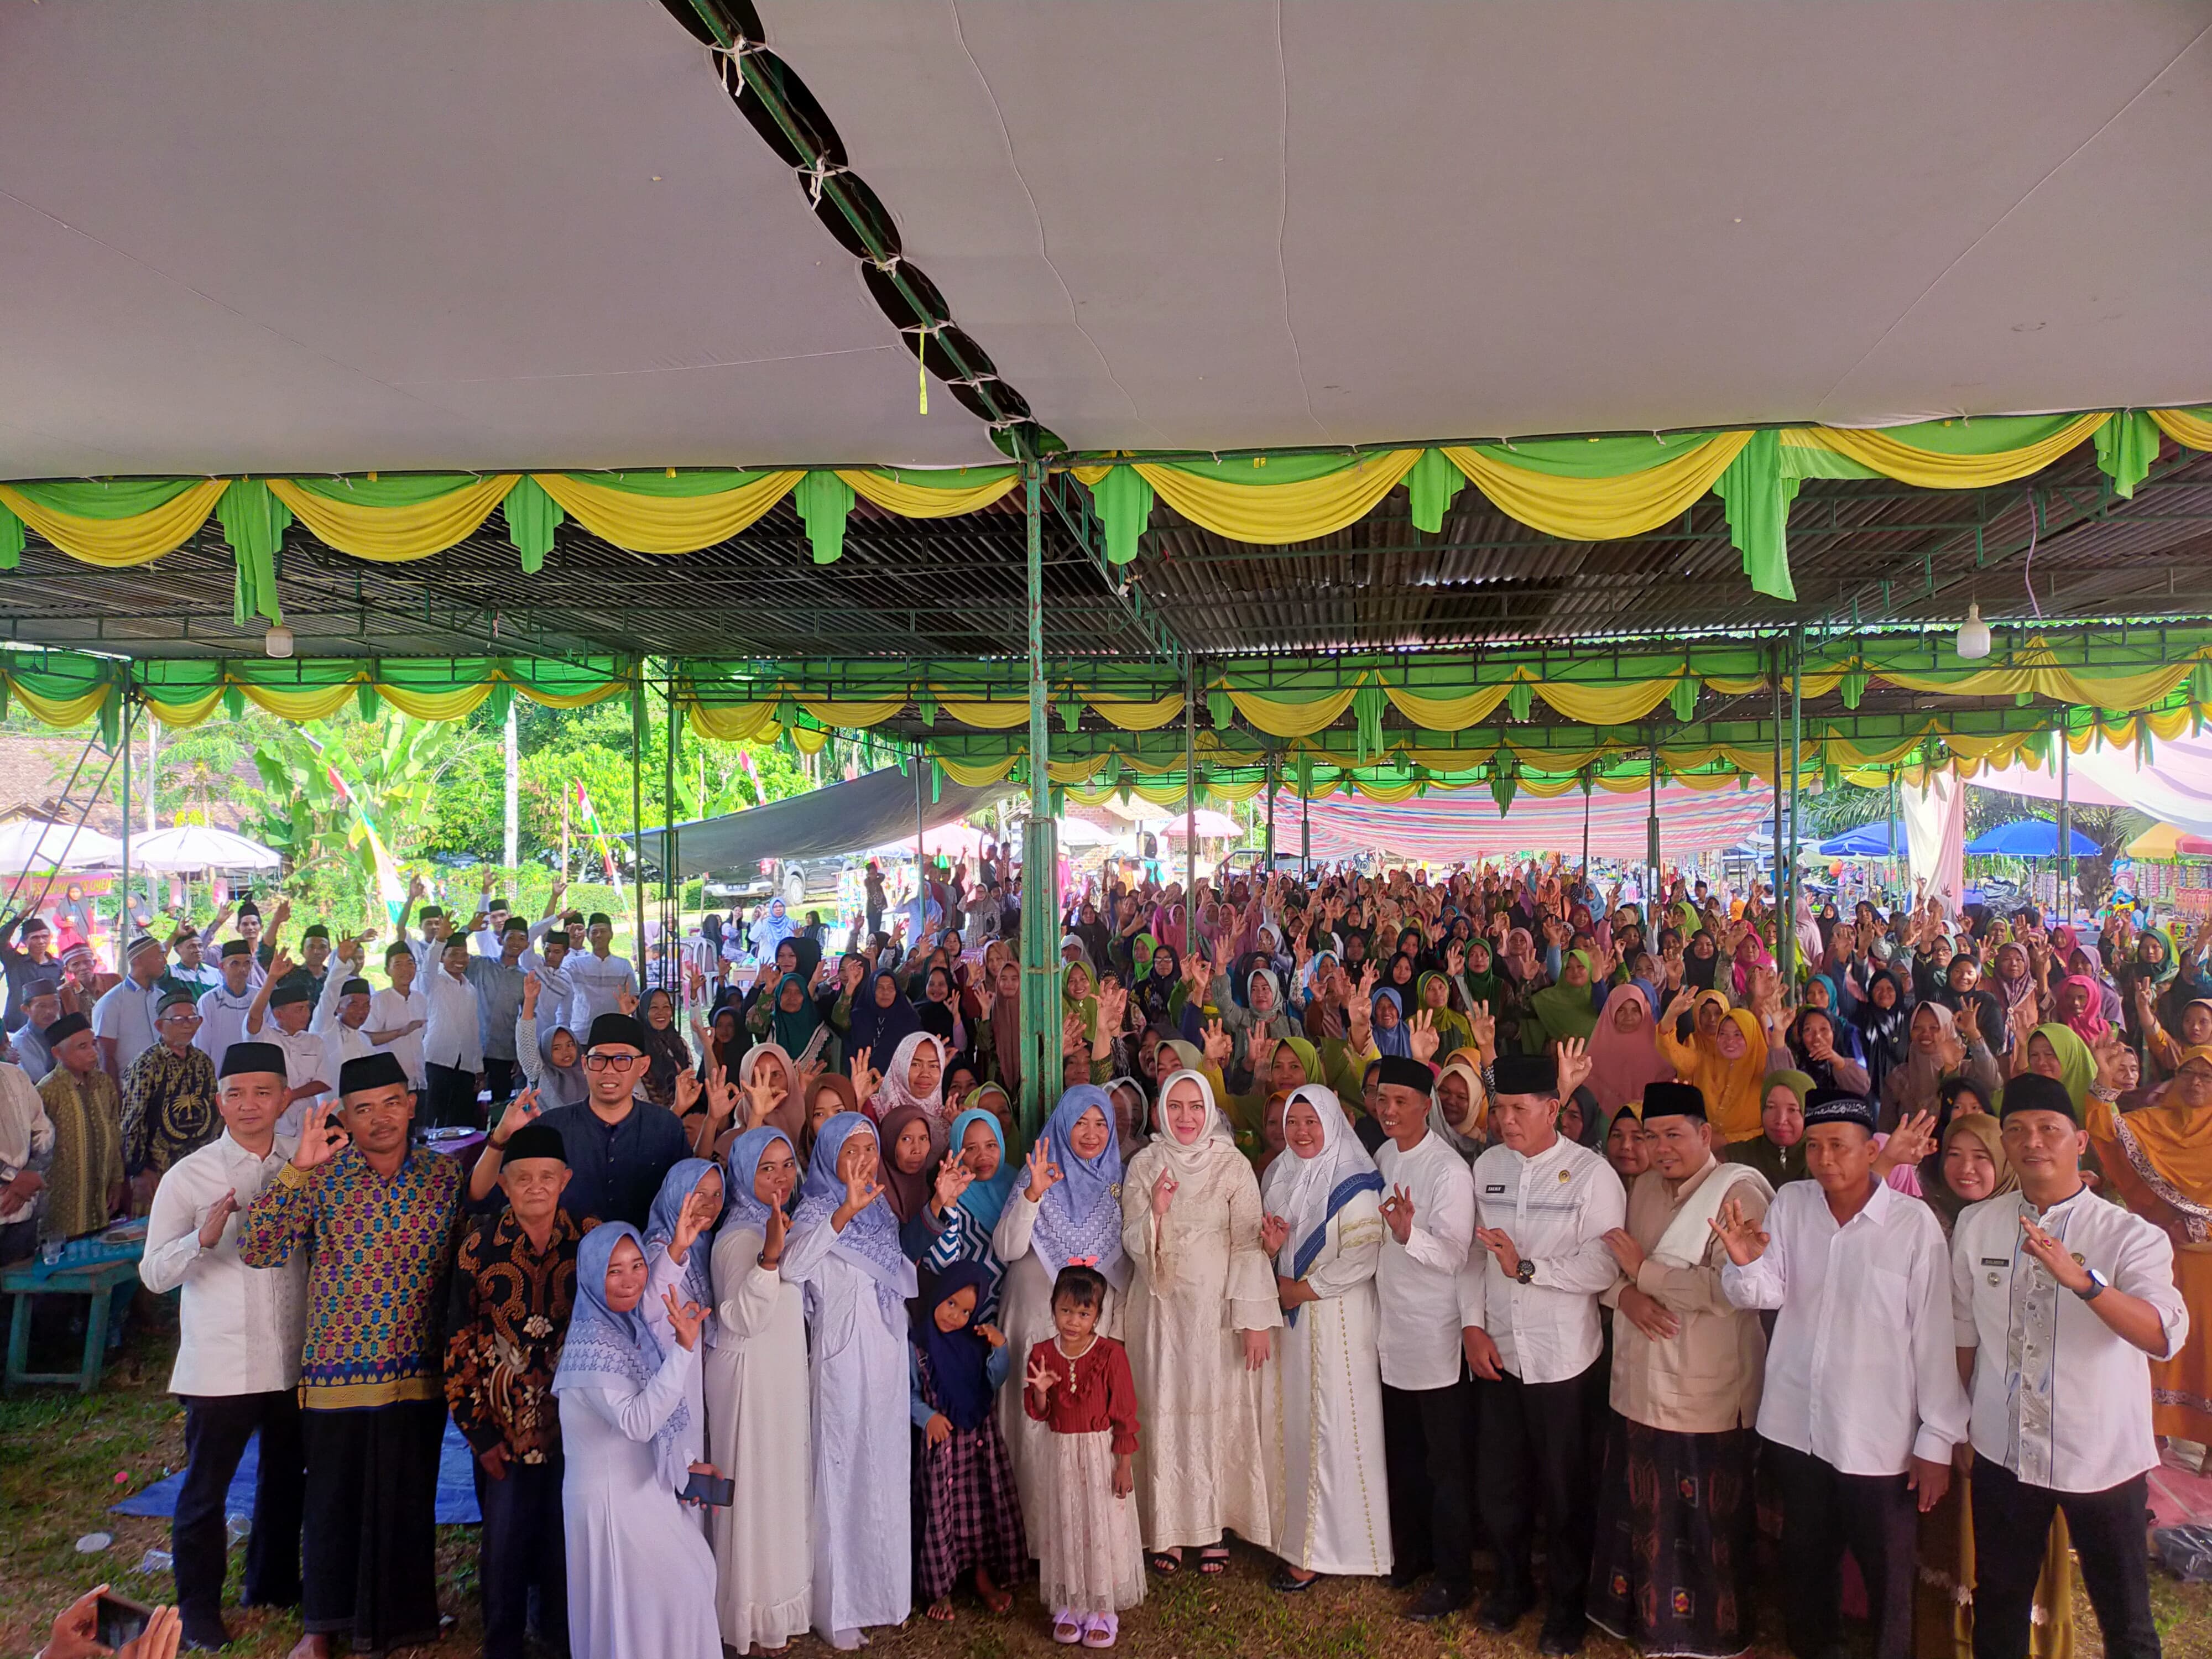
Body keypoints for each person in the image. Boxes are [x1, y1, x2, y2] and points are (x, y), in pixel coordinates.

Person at [1713, 1087, 1969, 1659]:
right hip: (1794, 1424)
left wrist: (1937, 1437)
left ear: (1868, 1148)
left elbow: (1931, 1336)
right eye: (1815, 1147)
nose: (1826, 1159)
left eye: (1839, 1146)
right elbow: (1766, 1294)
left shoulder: (1911, 1226)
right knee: (1804, 1560)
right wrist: (1743, 1261)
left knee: (1886, 1571)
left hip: (1875, 1437)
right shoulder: (1792, 1205)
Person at [1953, 1071, 2189, 1659]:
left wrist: (2084, 1284)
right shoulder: (1976, 1223)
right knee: (1999, 1603)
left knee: (2126, 1621)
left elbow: (2163, 1334)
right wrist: (1959, 1422)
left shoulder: (2129, 1236)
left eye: (2048, 1129)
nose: (2033, 1142)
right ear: (2005, 1142)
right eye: (2017, 1130)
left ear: (2078, 1142)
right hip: (2003, 1452)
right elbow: (1962, 1332)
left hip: (2101, 1458)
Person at [237, 1051, 464, 1659]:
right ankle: (321, 1627)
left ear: (411, 1104)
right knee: (332, 1502)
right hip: (337, 1372)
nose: (381, 1119)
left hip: (418, 1371)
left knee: (411, 1498)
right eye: (363, 1109)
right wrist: (297, 1173)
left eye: (392, 1103)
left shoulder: (443, 1178)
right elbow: (257, 1248)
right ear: (346, 1117)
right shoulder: (322, 1176)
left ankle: (410, 1618)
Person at [1587, 1080, 1771, 1659]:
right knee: (1642, 1512)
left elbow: (1733, 1289)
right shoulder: (1639, 1187)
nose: (1661, 1147)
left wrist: (1645, 1276)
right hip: (1641, 1382)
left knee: (1703, 1523)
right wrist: (1627, 1296)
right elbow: (1611, 1268)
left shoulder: (1738, 1194)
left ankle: (1707, 1633)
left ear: (1705, 1135)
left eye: (1673, 1134)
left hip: (1705, 1394)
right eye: (1650, 1135)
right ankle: (1641, 1621)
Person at [137, 1041, 308, 1653]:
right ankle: (198, 1608)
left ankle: (272, 1583)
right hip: (221, 1364)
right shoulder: (192, 1175)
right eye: (236, 1093)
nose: (249, 1104)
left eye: (264, 1091)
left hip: (291, 1358)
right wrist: (201, 1240)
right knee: (206, 1491)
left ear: (285, 1098)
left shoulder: (304, 1164)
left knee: (288, 1477)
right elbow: (153, 1273)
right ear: (219, 1101)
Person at [1461, 1045, 1625, 1656]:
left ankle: (1567, 1604)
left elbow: (1603, 1264)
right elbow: (1472, 1255)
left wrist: (1527, 1268)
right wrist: (1472, 1327)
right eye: (1500, 1109)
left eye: (1519, 1109)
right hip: (1499, 1354)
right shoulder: (1486, 1169)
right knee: (1499, 1486)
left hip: (1561, 1362)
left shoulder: (1591, 1174)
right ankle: (1510, 1587)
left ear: (1552, 1109)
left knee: (1564, 1490)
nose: (1506, 1121)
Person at [1120, 1066, 1280, 1575]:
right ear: (1160, 1110)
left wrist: (1252, 1318)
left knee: (1214, 1411)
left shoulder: (1232, 1166)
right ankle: (1165, 1528)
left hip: (1214, 1313)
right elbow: (1130, 1240)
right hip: (1161, 1312)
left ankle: (1211, 1527)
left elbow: (1248, 1241)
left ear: (1208, 1110)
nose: (1185, 1118)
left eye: (1194, 1107)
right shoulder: (1146, 1164)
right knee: (1162, 1405)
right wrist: (1158, 1212)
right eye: (1175, 1107)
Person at [444, 1117, 583, 1659]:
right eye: (522, 1178)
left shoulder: (590, 1239)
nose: (535, 1188)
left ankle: (560, 1633)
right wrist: (477, 1433)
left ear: (565, 1179)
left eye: (546, 1177)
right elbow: (457, 1340)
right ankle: (501, 1643)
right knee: (502, 1542)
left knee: (563, 1535)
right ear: (503, 1183)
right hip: (501, 1427)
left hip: (573, 1426)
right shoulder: (478, 1247)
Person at [552, 1222, 721, 1659]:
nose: (630, 1280)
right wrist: (684, 1351)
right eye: (614, 1271)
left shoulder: (626, 1328)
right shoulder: (593, 1345)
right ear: (591, 1277)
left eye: (636, 1266)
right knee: (657, 1602)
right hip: (612, 1503)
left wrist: (684, 1469)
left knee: (691, 1579)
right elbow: (639, 1421)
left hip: (642, 1488)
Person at [782, 1112, 916, 1649]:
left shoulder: (881, 1213)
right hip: (840, 1359)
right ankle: (834, 1609)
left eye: (869, 1149)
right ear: (828, 1157)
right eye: (850, 1151)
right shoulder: (816, 1210)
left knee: (883, 1472)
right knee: (841, 1478)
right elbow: (792, 1268)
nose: (862, 1160)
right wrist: (841, 1215)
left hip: (885, 1359)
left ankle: (881, 1594)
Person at [1260, 1083, 1391, 1590]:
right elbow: (1271, 1240)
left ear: (1335, 1122)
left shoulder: (1356, 1182)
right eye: (1294, 1122)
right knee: (1296, 1424)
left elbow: (1363, 1255)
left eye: (1312, 1122)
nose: (1302, 1132)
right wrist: (1272, 1251)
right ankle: (1294, 1536)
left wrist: (1302, 1290)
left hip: (1339, 1319)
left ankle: (1331, 1548)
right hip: (1293, 1321)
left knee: (1334, 1425)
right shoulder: (1279, 1174)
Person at [993, 1083, 1130, 1533]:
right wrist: (1033, 1196)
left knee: (1088, 1428)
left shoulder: (1117, 1182)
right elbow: (1008, 1248)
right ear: (1062, 1125)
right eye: (1080, 1123)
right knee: (1036, 1422)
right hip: (1034, 1317)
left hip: (1093, 1327)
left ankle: (1088, 1536)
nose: (1090, 1134)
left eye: (1100, 1124)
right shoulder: (1040, 1170)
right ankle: (1032, 1535)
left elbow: (1126, 1266)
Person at [706, 1126, 811, 1656]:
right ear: (744, 1173)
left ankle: (780, 1602)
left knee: (779, 1486)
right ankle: (748, 1610)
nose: (779, 1178)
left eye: (787, 1165)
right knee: (753, 1492)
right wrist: (769, 1258)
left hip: (780, 1373)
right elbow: (743, 1317)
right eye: (766, 1168)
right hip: (748, 1378)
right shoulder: (738, 1237)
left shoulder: (777, 1223)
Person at [473, 1011, 688, 1229]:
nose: (608, 1070)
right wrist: (501, 1136)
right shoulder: (551, 1128)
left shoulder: (665, 1127)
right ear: (585, 1064)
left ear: (643, 1066)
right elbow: (481, 1198)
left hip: (644, 1258)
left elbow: (689, 1198)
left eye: (622, 1060)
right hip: (564, 1259)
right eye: (599, 1060)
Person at [1024, 1264, 1145, 1648]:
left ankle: (1101, 1609)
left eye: (1083, 1313)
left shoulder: (1110, 1354)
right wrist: (1042, 1390)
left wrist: (1124, 1463)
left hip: (1099, 1454)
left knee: (1100, 1524)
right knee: (1067, 1521)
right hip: (1060, 1452)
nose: (1073, 1321)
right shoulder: (1042, 1353)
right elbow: (1038, 1411)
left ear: (1097, 1314)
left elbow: (1125, 1413)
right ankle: (1070, 1602)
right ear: (1053, 1307)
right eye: (1065, 1311)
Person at [910, 1261, 1026, 1623]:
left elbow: (994, 1381)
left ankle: (981, 1574)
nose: (956, 1316)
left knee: (977, 1508)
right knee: (942, 1513)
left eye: (965, 1311)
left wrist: (1000, 1348)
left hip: (978, 1445)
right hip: (941, 1448)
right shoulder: (919, 1346)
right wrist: (927, 1417)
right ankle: (939, 1587)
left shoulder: (973, 1342)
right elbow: (906, 1393)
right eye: (951, 1304)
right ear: (937, 1297)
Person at [121, 990, 220, 1198]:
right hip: (158, 1171)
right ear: (160, 1026)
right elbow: (132, 1120)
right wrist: (138, 1169)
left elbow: (213, 1113)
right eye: (178, 1020)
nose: (187, 1025)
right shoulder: (147, 1064)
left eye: (193, 1018)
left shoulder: (203, 1062)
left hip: (199, 1166)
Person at [38, 1013, 125, 1239]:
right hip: (63, 1205)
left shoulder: (103, 1083)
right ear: (58, 1053)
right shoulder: (47, 1092)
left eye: (93, 1044)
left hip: (101, 1199)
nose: (93, 1053)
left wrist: (117, 1180)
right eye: (83, 1047)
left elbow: (115, 1132)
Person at [420, 936, 486, 1129]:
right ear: (442, 957)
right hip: (436, 1060)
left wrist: (478, 1067)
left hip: (465, 1065)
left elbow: (474, 1029)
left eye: (464, 954)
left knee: (462, 1122)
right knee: (434, 1119)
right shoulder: (433, 981)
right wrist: (440, 938)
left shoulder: (470, 989)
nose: (460, 959)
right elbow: (428, 963)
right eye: (453, 954)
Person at [92, 932, 170, 1083]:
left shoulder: (162, 998)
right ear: (138, 960)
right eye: (159, 956)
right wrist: (116, 1098)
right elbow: (105, 1056)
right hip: (130, 1088)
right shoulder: (112, 1002)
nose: (165, 962)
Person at [365, 941, 429, 1095]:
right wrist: (401, 1032)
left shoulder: (420, 999)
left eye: (410, 964)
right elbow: (367, 1038)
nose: (405, 970)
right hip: (391, 1082)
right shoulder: (380, 1000)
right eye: (398, 965)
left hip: (419, 1081)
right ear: (388, 970)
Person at [192, 941, 260, 1077]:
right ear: (222, 967)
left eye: (247, 963)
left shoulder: (260, 998)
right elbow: (201, 1046)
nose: (242, 969)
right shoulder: (208, 1001)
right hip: (219, 1077)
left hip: (255, 1074)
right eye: (235, 964)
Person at [568, 913, 639, 1031]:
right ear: (588, 935)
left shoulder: (623, 965)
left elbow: (634, 998)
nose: (599, 935)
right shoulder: (576, 965)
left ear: (611, 934)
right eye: (594, 932)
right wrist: (571, 946)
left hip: (615, 1031)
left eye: (603, 931)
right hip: (583, 1032)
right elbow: (559, 975)